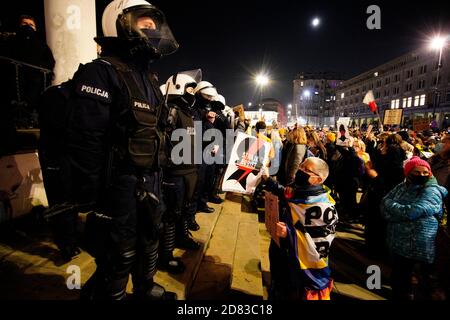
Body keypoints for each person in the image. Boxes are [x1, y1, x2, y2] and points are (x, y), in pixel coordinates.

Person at [60, 0, 179, 300]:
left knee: (149, 239)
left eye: (154, 23)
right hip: (118, 187)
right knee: (119, 253)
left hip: (150, 181)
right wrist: (88, 198)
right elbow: (85, 141)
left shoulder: (150, 79)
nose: (152, 28)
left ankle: (144, 287)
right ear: (120, 21)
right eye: (143, 21)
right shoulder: (100, 72)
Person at [263, 157, 338, 300]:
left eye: (306, 169)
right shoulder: (298, 190)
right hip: (281, 254)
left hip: (297, 270)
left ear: (318, 179)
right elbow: (283, 192)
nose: (300, 170)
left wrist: (289, 233)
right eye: (301, 166)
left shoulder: (324, 207)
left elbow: (318, 243)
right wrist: (267, 179)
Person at [381, 156, 447, 300]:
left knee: (415, 279)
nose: (421, 175)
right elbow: (384, 201)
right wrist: (397, 213)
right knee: (399, 276)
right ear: (408, 173)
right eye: (416, 172)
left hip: (417, 244)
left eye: (425, 172)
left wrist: (393, 211)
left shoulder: (432, 191)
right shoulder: (403, 186)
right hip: (398, 241)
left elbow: (412, 212)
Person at [159, 70, 202, 274]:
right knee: (171, 214)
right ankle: (165, 254)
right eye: (190, 89)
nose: (192, 93)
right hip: (175, 173)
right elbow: (163, 143)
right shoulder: (172, 110)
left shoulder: (188, 113)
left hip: (189, 171)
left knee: (185, 208)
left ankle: (182, 238)